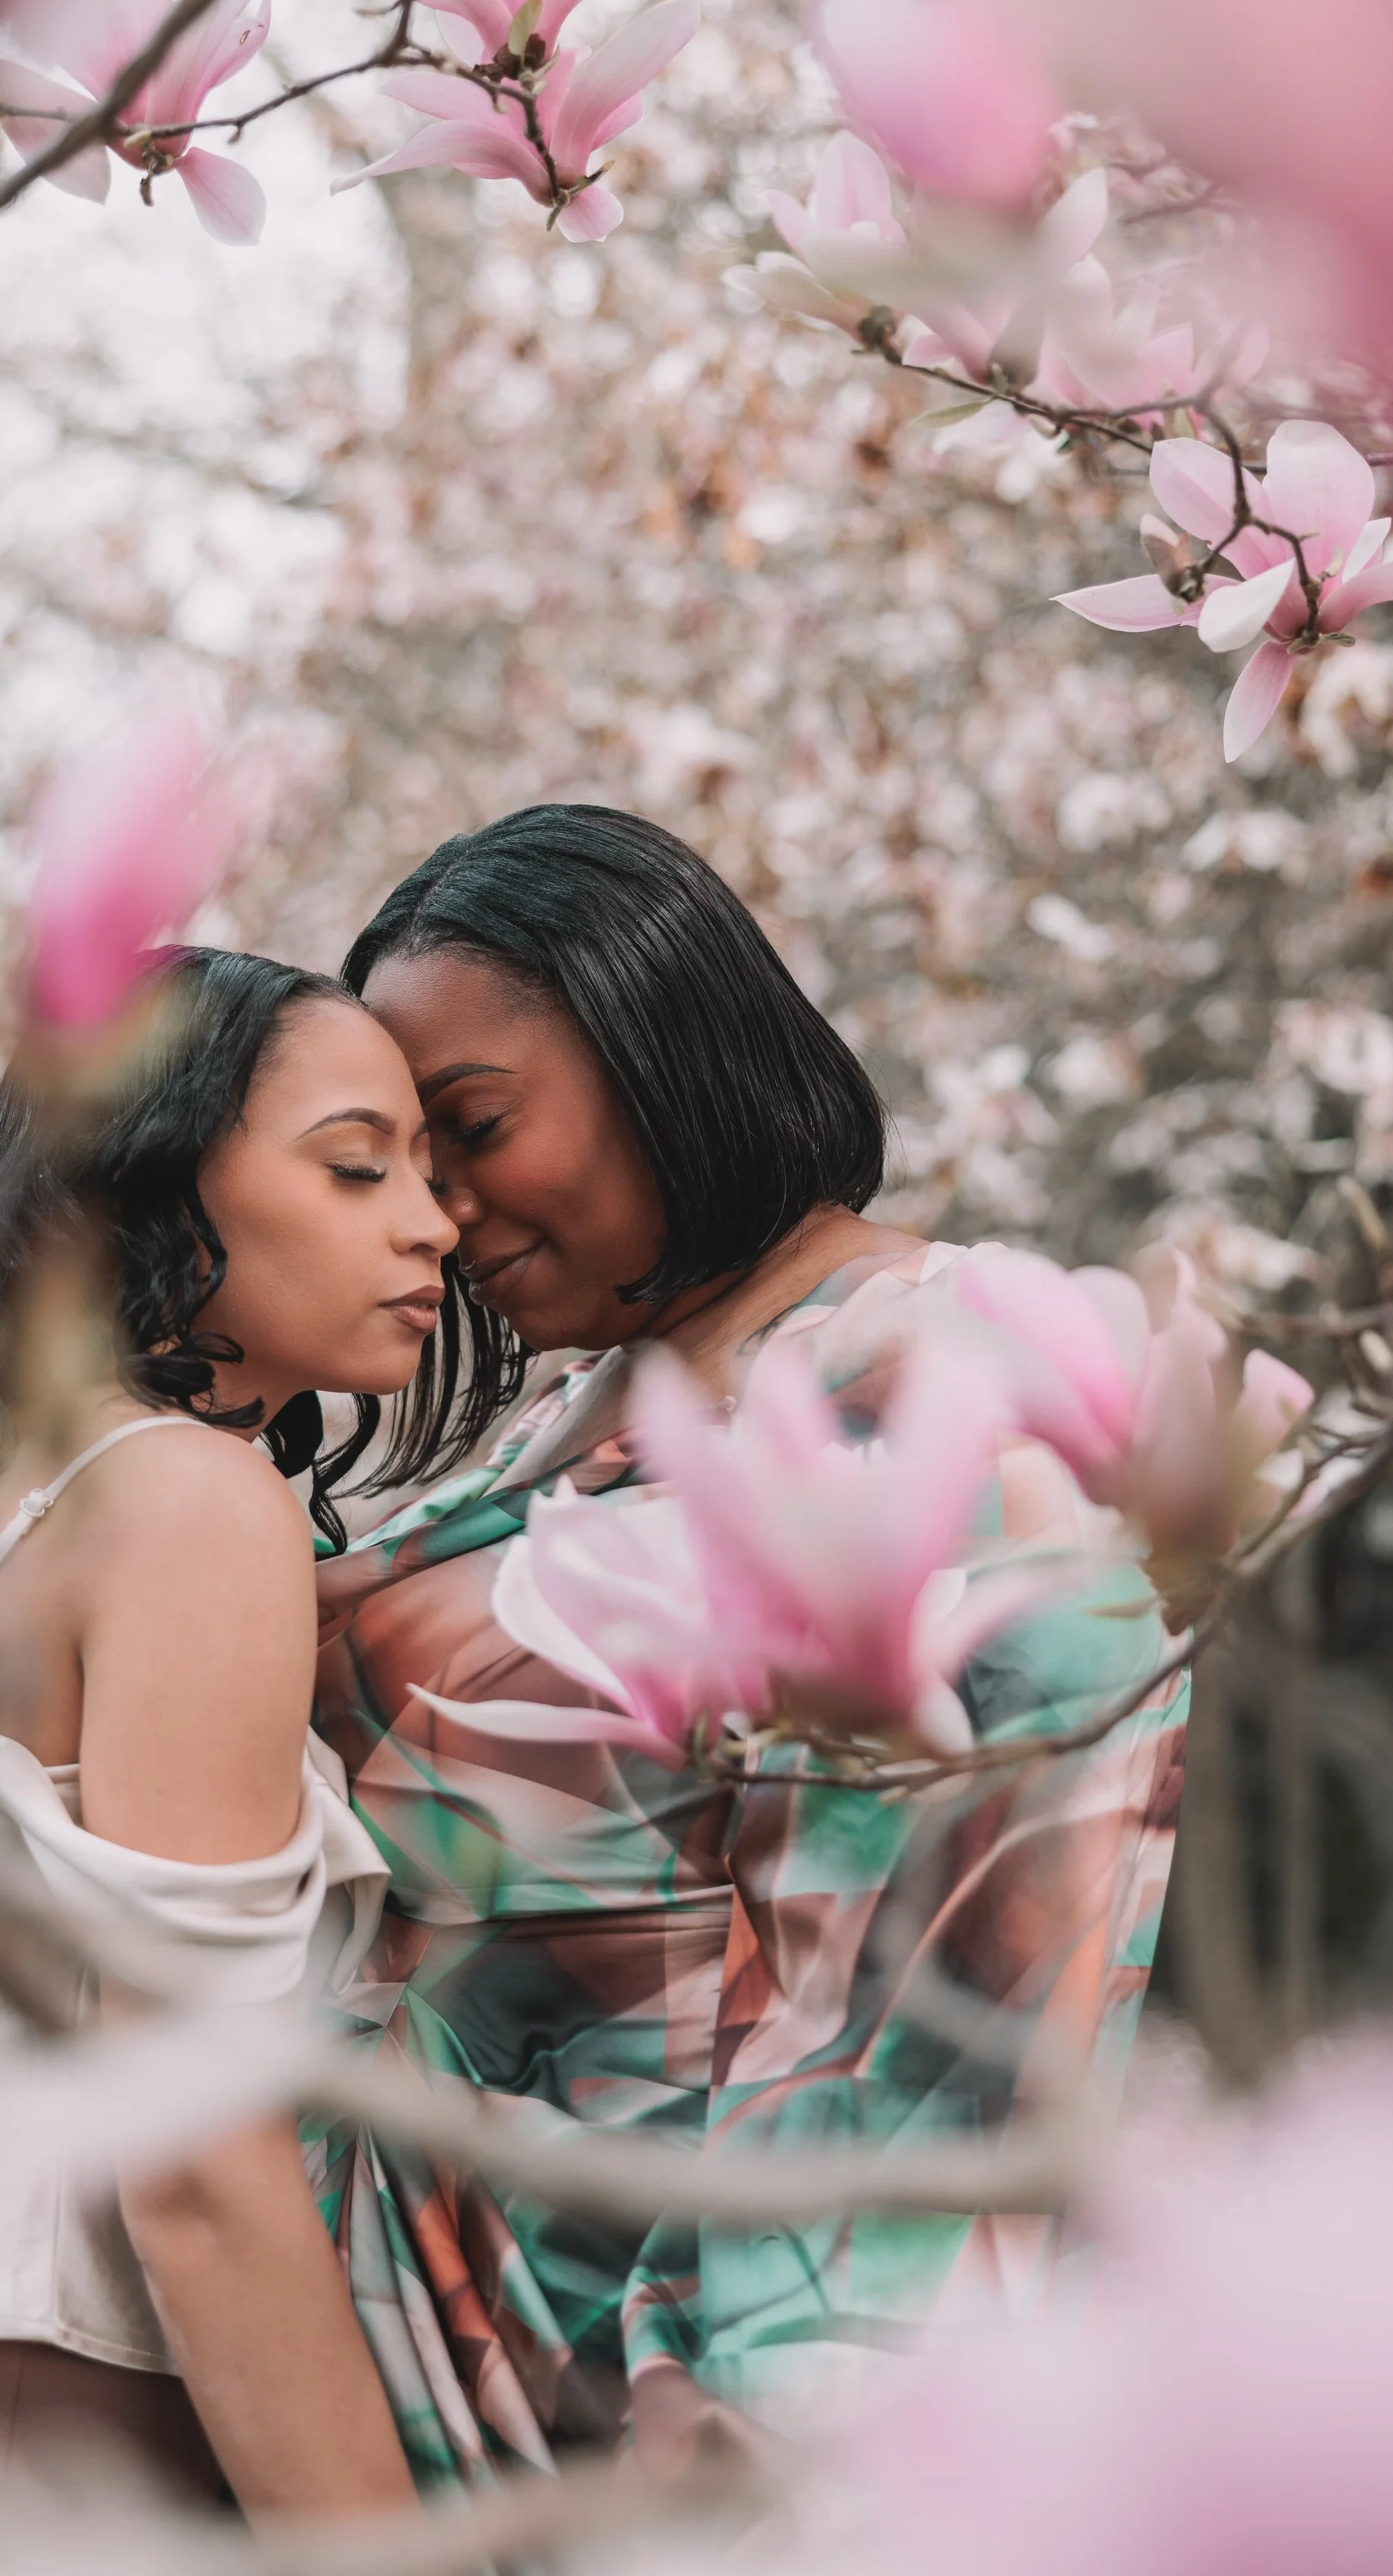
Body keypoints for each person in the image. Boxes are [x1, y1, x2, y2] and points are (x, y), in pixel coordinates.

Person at [308, 805, 1185, 2485]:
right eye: (403, 1161)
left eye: (473, 1127)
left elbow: (933, 2071)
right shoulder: (572, 1423)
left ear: (664, 1042)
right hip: (362, 2420)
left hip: (633, 2467)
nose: (440, 1207)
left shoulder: (941, 1398)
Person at [0, 949, 453, 2517]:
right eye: (356, 1165)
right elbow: (190, 2155)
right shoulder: (193, 1503)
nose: (432, 1221)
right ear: (142, 1178)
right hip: (35, 2425)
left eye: (428, 1164)